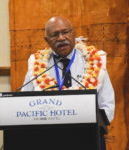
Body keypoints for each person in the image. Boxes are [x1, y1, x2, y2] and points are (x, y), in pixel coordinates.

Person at [21, 16, 115, 150]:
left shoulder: (95, 63)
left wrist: (92, 125)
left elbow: (107, 104)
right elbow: (26, 103)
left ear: (74, 34)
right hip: (48, 138)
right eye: (54, 35)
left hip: (88, 137)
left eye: (65, 32)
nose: (61, 38)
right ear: (47, 40)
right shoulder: (37, 67)